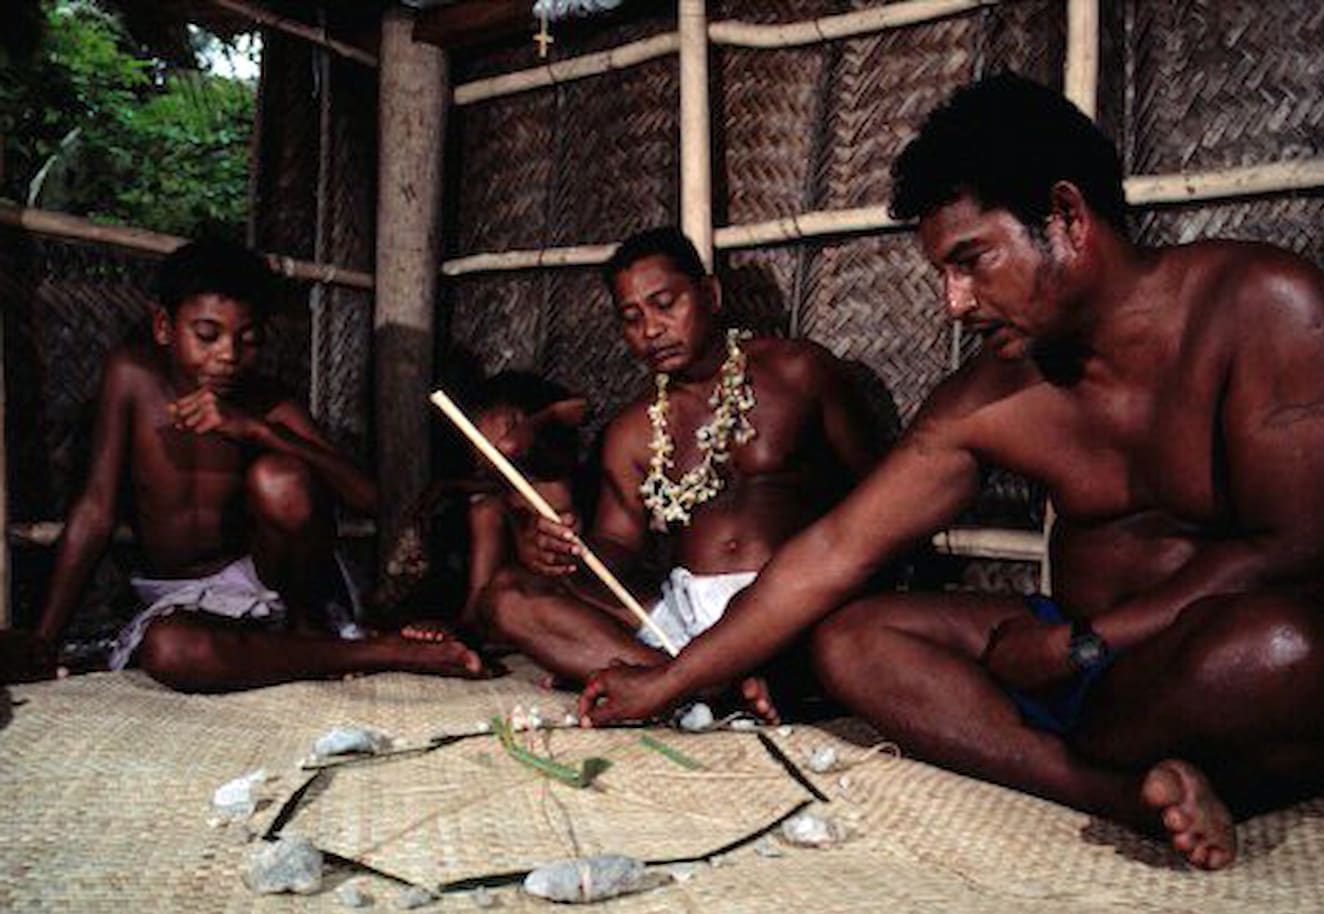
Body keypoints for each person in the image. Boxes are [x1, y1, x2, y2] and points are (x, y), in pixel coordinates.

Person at [577, 74, 1324, 871]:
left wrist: (1084, 647)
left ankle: (1085, 749)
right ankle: (1113, 791)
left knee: (1279, 653)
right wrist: (671, 682)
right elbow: (832, 555)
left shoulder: (1264, 307)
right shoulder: (990, 397)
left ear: (1067, 217)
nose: (954, 304)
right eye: (944, 274)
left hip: (1198, 658)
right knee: (852, 639)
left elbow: (1299, 555)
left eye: (972, 261)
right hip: (1074, 659)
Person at [2, 238, 481, 690]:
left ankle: (317, 636)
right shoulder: (133, 378)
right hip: (180, 599)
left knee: (279, 479)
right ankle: (358, 651)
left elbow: (370, 499)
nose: (228, 355)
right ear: (164, 327)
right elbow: (96, 508)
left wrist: (256, 430)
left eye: (247, 339)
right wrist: (46, 639)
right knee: (169, 650)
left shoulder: (267, 402)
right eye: (207, 335)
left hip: (276, 592)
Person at [485, 226, 879, 704]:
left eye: (665, 303)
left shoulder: (799, 373)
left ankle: (680, 682)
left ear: (709, 295)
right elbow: (616, 546)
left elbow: (878, 495)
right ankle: (708, 685)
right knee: (508, 596)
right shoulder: (633, 428)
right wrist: (567, 553)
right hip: (683, 615)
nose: (650, 330)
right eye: (631, 318)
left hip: (790, 609)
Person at [396, 370, 587, 646]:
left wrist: (543, 419)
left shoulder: (553, 481)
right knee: (484, 511)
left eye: (481, 426)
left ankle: (477, 625)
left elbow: (510, 446)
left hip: (565, 596)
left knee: (486, 510)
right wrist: (455, 487)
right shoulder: (501, 492)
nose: (477, 446)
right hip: (516, 593)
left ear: (515, 420)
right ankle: (472, 622)